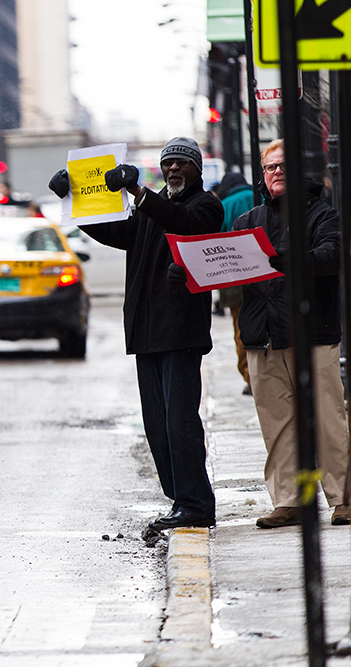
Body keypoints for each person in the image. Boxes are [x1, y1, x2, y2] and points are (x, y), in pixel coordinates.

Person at [49, 136, 223, 532]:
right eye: (169, 163)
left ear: (196, 169)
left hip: (180, 331)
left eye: (182, 163)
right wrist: (73, 203)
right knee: (157, 424)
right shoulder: (148, 210)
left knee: (180, 421)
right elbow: (115, 233)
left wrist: (137, 192)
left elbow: (184, 223)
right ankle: (181, 500)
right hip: (146, 332)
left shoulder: (203, 205)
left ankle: (196, 503)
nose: (174, 169)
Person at [231, 139, 350, 528]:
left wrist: (292, 259)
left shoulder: (322, 215)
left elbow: (331, 257)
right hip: (263, 336)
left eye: (284, 166)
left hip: (311, 334)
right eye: (270, 167)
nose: (276, 172)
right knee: (278, 423)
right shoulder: (247, 221)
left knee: (327, 418)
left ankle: (343, 497)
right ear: (262, 176)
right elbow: (232, 276)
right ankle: (290, 500)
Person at [216, 172, 254, 395]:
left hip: (234, 278)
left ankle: (250, 376)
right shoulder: (258, 195)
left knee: (241, 328)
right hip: (265, 273)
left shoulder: (223, 206)